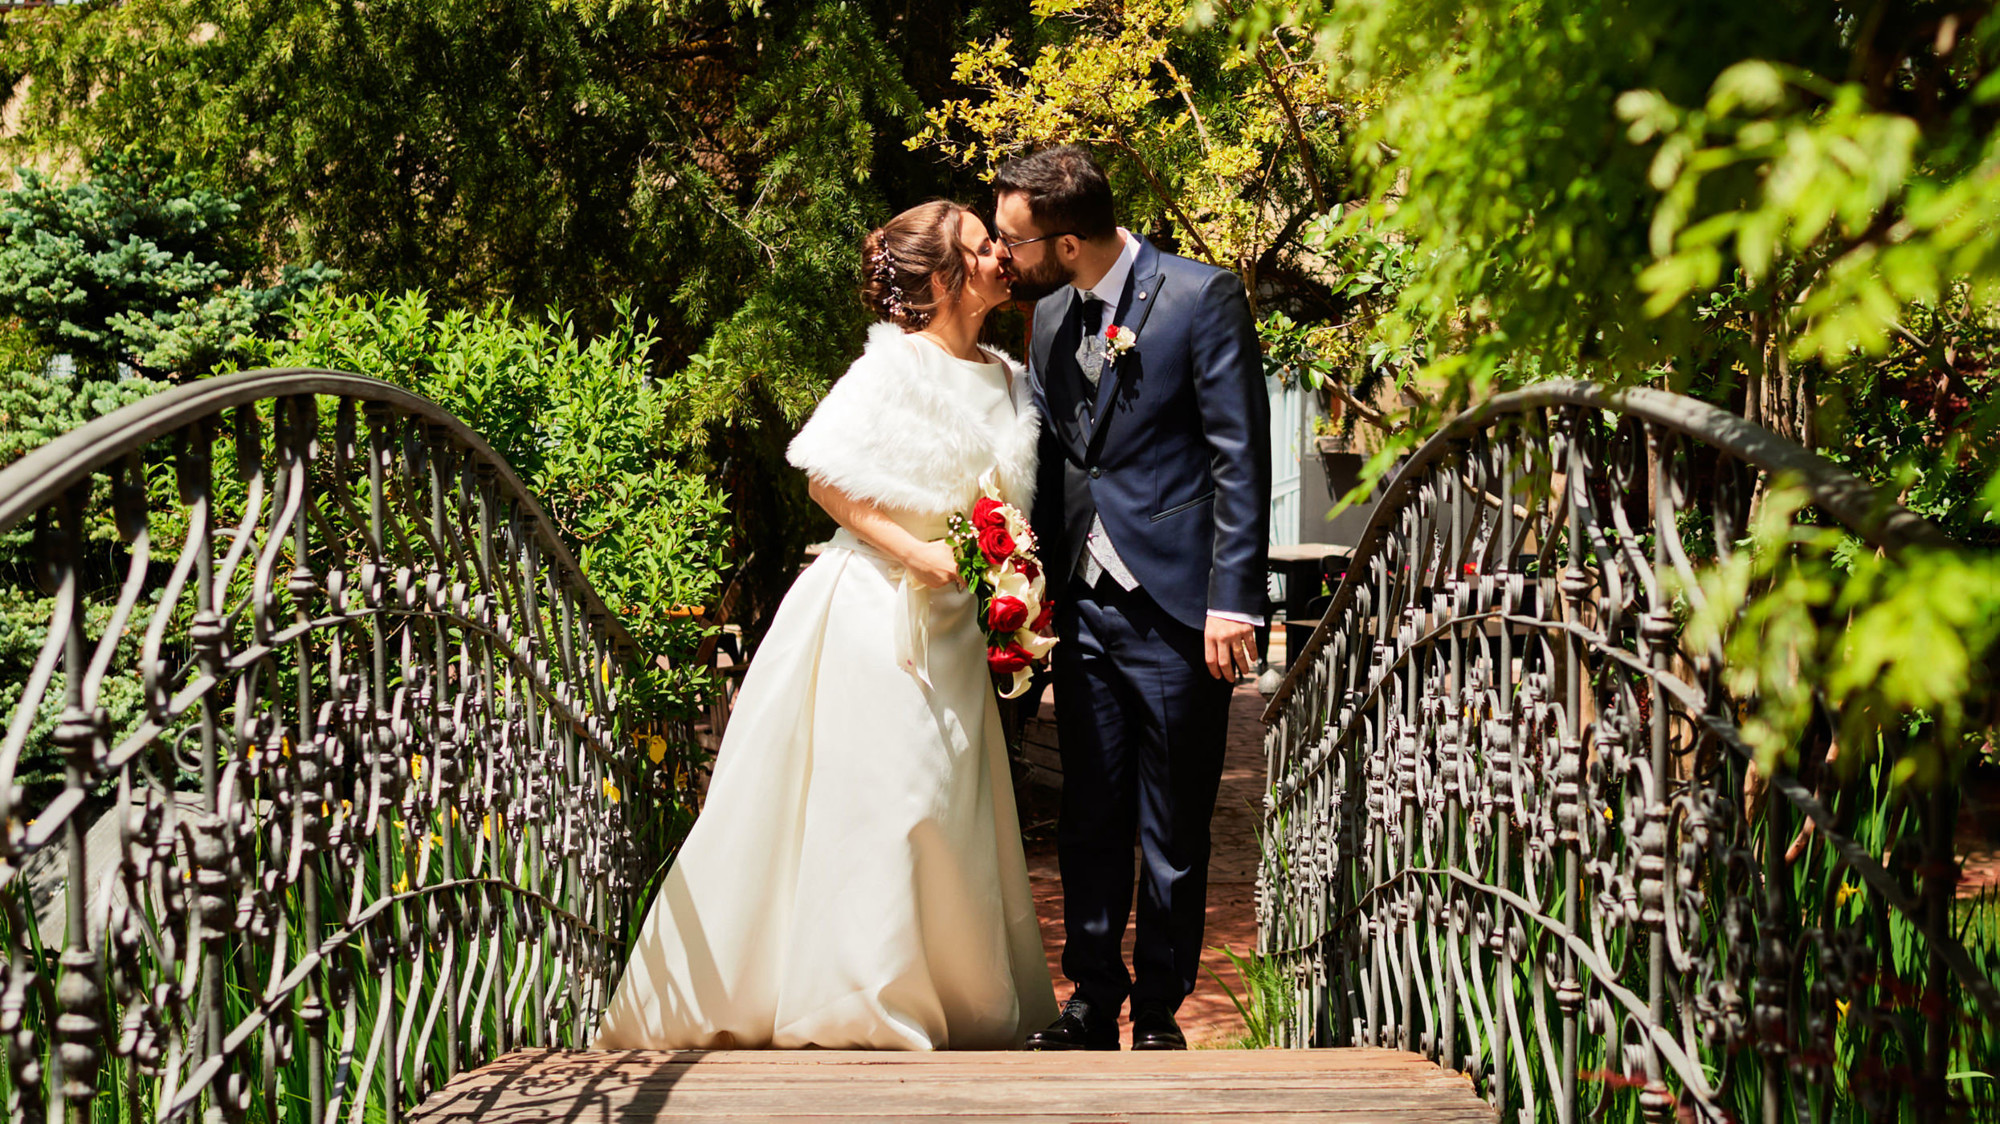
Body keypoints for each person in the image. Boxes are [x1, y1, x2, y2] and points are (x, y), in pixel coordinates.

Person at [591, 199, 1057, 1051]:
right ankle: (864, 1002)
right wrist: (917, 557)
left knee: (950, 805)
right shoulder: (890, 369)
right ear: (947, 277)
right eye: (982, 246)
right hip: (877, 609)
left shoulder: (1011, 378)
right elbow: (827, 481)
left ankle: (950, 990)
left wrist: (1009, 577)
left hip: (960, 625)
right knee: (894, 797)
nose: (1000, 255)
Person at [994, 146, 1271, 1051]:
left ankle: (1157, 1011)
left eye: (1014, 240)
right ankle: (1090, 1000)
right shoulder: (1044, 322)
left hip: (1181, 610)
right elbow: (1056, 464)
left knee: (1173, 821)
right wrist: (1025, 590)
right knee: (1090, 811)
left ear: (1066, 242)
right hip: (1082, 609)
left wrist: (1235, 600)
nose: (1005, 257)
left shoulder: (1202, 299)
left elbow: (1240, 460)